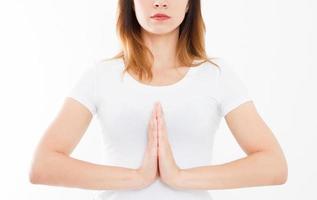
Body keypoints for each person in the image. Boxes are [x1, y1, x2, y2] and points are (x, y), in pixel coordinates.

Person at [29, 0, 288, 199]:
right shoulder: (101, 75)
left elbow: (273, 165)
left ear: (189, 4)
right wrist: (136, 178)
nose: (160, 2)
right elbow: (43, 165)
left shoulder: (216, 75)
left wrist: (180, 177)